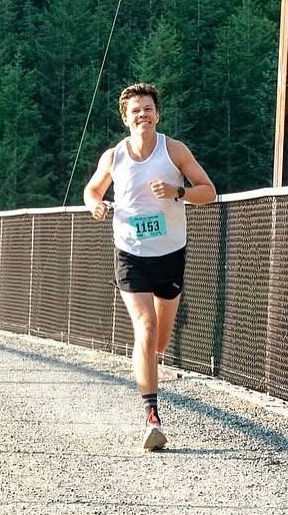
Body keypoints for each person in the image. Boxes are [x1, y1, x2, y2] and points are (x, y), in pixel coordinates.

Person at [83, 82, 216, 451]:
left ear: (157, 114)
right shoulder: (114, 157)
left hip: (170, 251)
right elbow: (93, 189)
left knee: (159, 337)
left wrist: (178, 193)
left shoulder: (173, 150)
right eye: (135, 111)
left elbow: (209, 191)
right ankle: (152, 416)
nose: (143, 115)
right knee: (145, 326)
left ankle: (149, 365)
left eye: (148, 109)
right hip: (130, 252)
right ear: (125, 118)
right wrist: (95, 205)